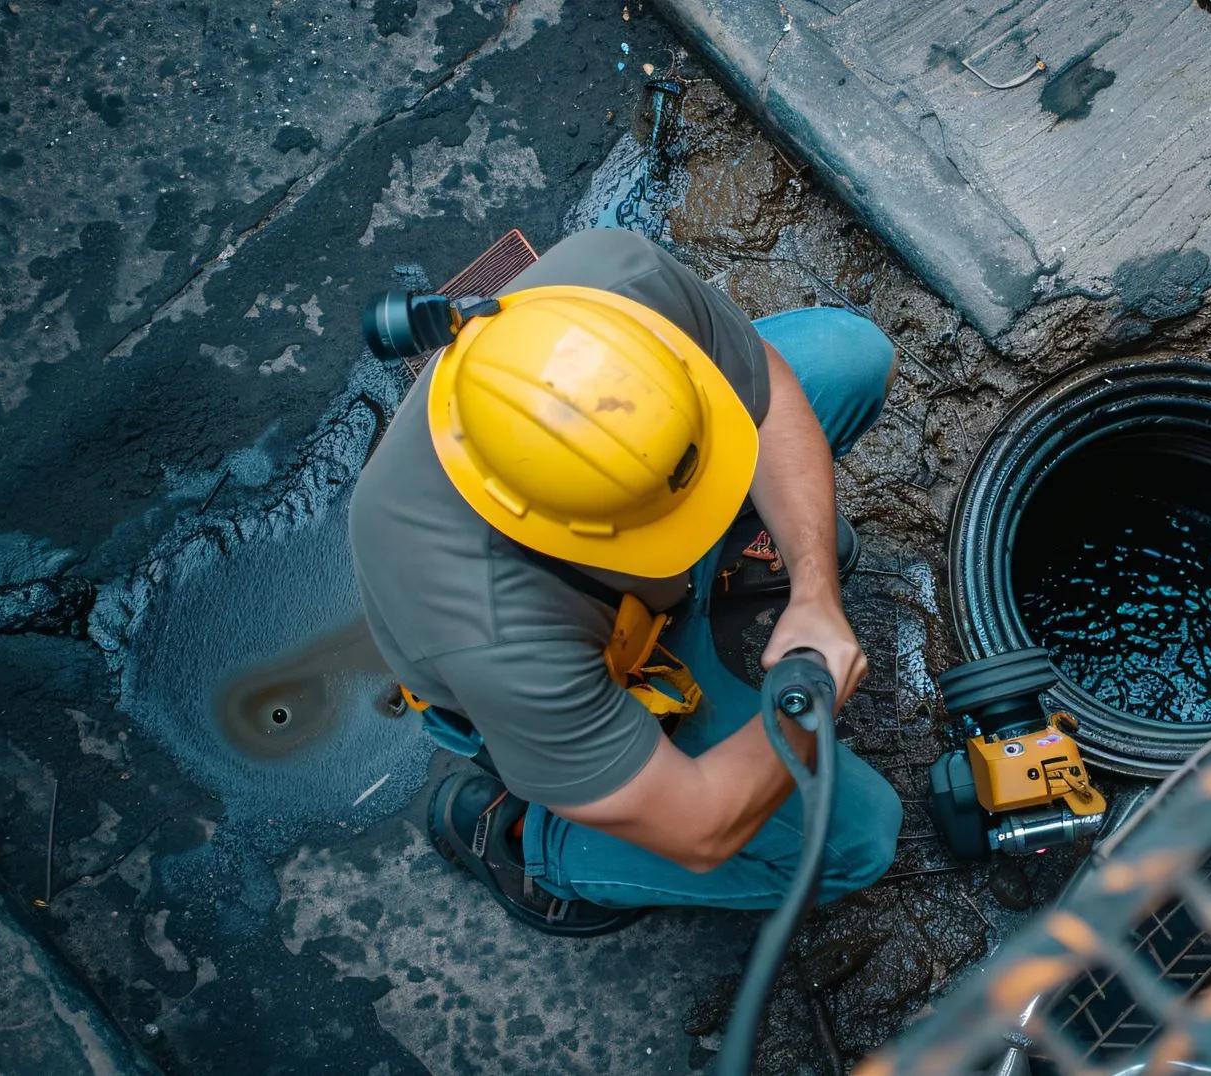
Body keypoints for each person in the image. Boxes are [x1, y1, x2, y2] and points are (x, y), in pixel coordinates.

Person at [348, 229, 902, 934]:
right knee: (859, 841)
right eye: (669, 517)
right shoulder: (488, 630)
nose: (698, 515)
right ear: (548, 527)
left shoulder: (612, 278)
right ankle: (550, 853)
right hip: (594, 660)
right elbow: (703, 825)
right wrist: (806, 707)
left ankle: (741, 549)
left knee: (850, 357)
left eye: (697, 487)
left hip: (620, 546)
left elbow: (771, 397)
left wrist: (815, 588)